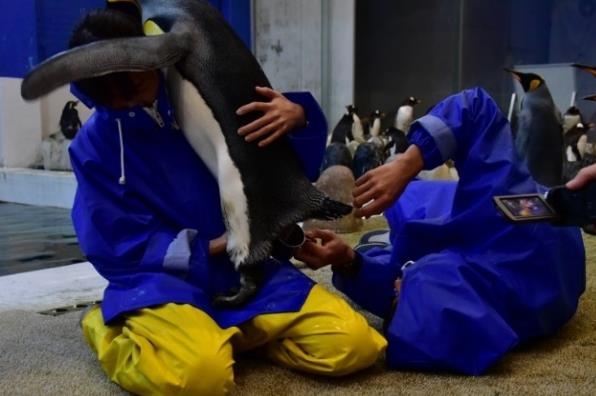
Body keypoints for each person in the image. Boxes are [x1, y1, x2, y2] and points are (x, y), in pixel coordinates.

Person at [69, 9, 386, 396]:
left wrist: (298, 117)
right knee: (201, 379)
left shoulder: (201, 91)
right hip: (162, 284)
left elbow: (273, 170)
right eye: (107, 94)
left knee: (354, 346)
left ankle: (227, 334)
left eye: (133, 83)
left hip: (241, 271)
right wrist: (217, 245)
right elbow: (115, 238)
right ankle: (106, 326)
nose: (123, 100)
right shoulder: (94, 147)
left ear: (153, 59)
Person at [295, 87, 586, 375]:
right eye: (403, 289)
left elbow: (418, 296)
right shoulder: (511, 220)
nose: (396, 286)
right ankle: (391, 234)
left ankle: (381, 245)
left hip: (469, 252)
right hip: (508, 226)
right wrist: (408, 164)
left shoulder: (479, 309)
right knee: (406, 200)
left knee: (382, 251)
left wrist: (349, 261)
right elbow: (476, 106)